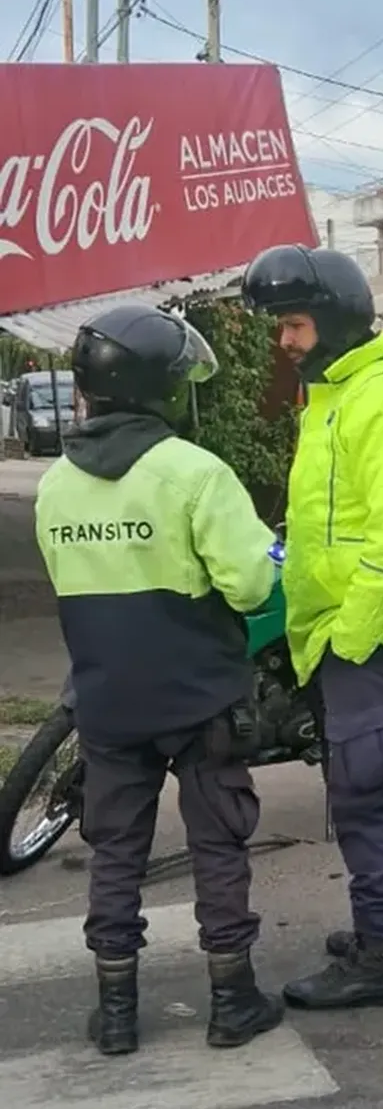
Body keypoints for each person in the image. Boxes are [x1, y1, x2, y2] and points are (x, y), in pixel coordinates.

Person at [34, 303, 284, 1056]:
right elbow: (248, 586)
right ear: (161, 388)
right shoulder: (194, 472)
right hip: (200, 693)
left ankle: (115, 1011)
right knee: (217, 844)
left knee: (116, 851)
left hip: (108, 699)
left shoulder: (55, 486)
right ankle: (232, 999)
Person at [241, 244, 383, 1011]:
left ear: (330, 319)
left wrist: (348, 637)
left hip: (365, 629)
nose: (285, 341)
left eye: (293, 324)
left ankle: (376, 958)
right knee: (374, 784)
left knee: (364, 787)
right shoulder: (335, 393)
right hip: (334, 625)